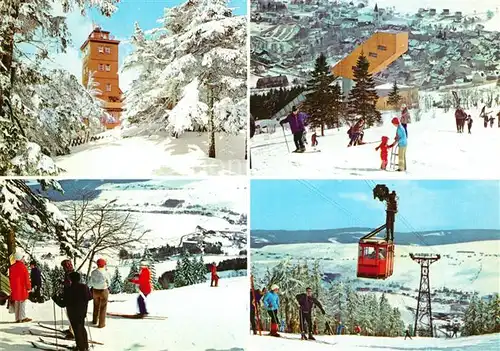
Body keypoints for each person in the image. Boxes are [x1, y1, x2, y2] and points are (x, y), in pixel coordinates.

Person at [64, 271, 92, 351]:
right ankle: (85, 346)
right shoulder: (84, 287)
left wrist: (55, 298)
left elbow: (64, 303)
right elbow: (90, 297)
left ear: (71, 279)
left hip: (73, 313)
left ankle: (81, 348)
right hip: (82, 312)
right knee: (82, 328)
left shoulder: (69, 289)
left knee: (77, 331)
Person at [9, 252, 32, 323]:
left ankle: (17, 318)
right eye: (22, 258)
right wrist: (29, 287)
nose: (23, 259)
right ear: (20, 258)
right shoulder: (23, 267)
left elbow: (10, 278)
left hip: (14, 288)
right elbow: (26, 279)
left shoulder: (11, 267)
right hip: (22, 288)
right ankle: (23, 317)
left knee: (17, 303)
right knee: (22, 302)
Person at [89, 258, 110, 328]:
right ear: (104, 264)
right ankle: (101, 324)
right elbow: (109, 282)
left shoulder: (93, 272)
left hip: (95, 291)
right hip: (103, 290)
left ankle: (94, 320)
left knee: (96, 305)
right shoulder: (106, 272)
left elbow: (90, 282)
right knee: (103, 307)